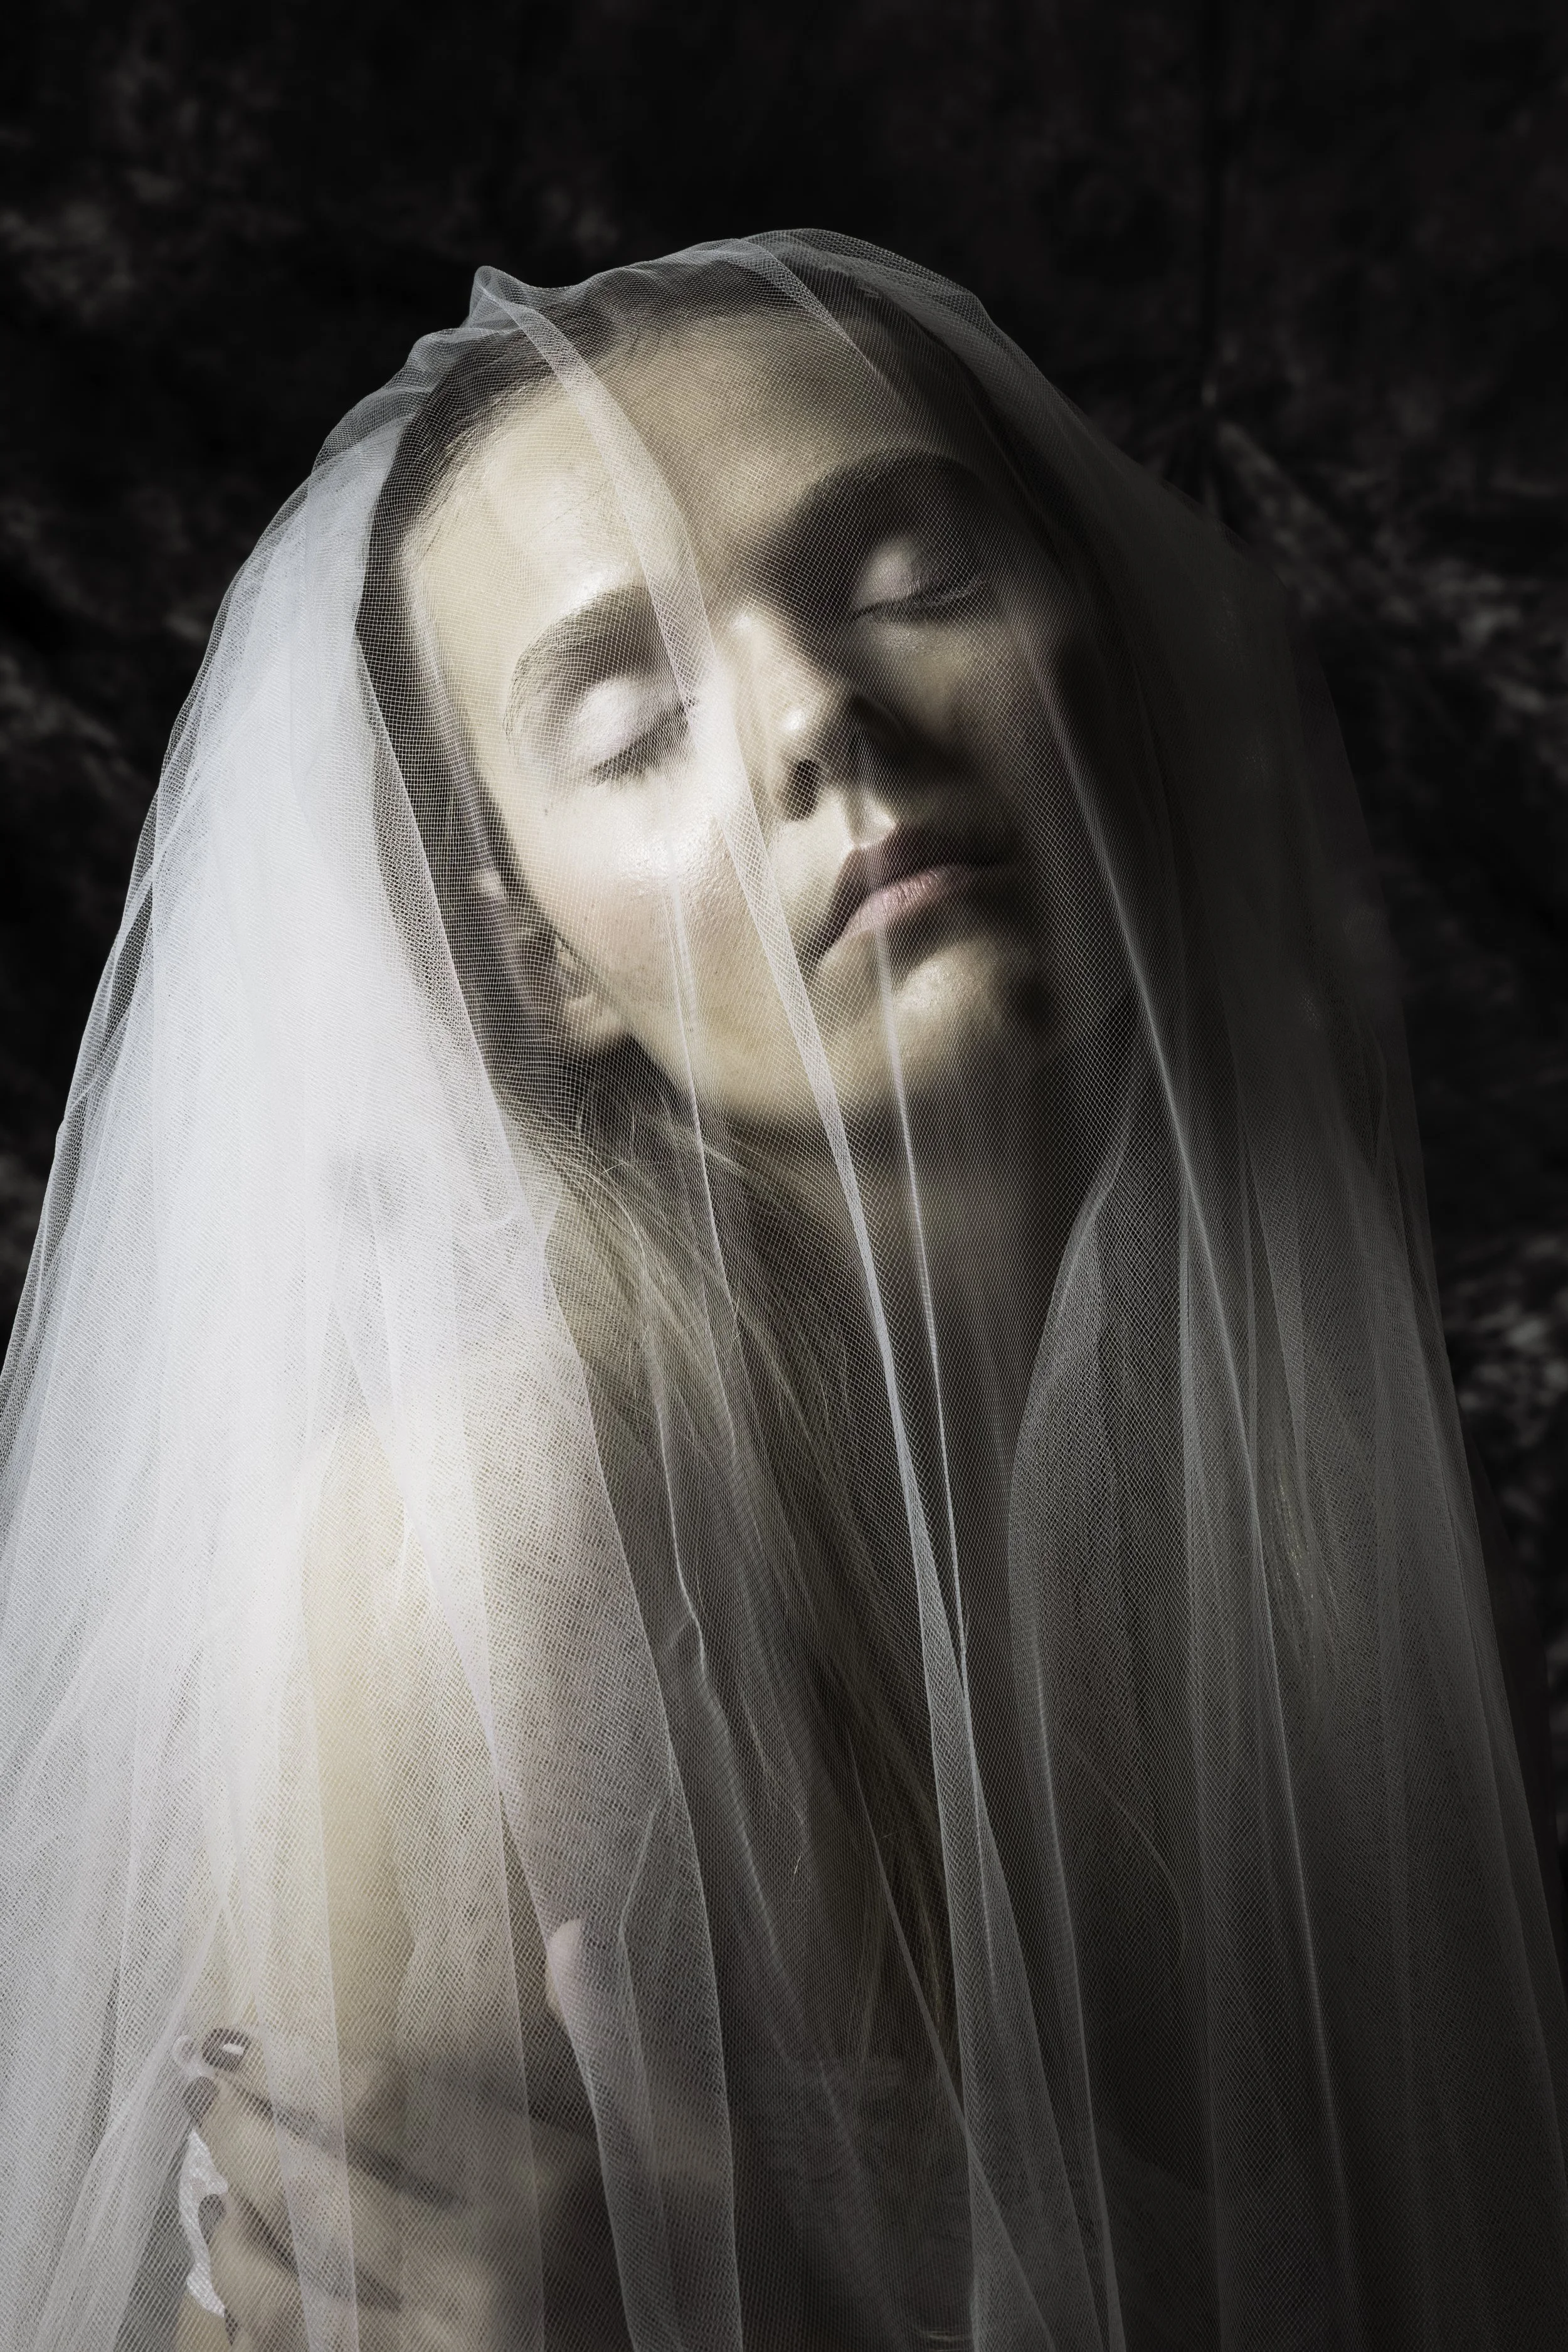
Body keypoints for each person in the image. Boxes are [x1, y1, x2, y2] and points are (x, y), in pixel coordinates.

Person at [0, 233, 1563, 2352]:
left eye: (912, 576)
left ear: (1102, 638)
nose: (821, 715)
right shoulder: (497, 1550)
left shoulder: (1275, 1450)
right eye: (634, 719)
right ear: (533, 950)